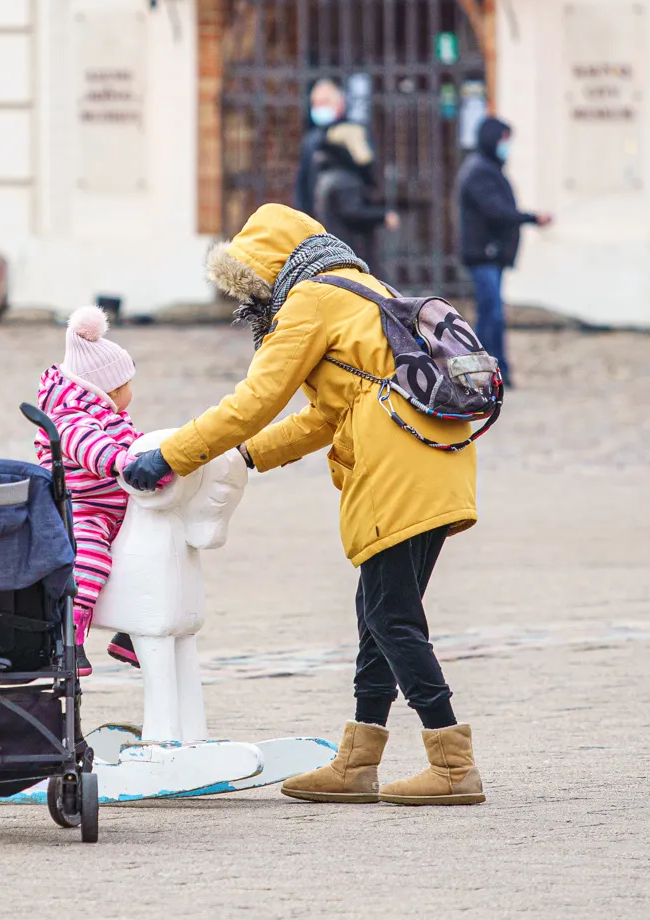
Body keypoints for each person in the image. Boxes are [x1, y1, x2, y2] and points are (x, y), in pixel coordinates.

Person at [119, 203, 485, 807]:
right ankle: (357, 762)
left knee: (391, 617)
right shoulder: (364, 289)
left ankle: (452, 763)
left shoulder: (310, 300)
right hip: (438, 456)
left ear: (264, 270)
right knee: (378, 612)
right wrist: (248, 457)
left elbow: (257, 398)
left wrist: (173, 455)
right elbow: (326, 414)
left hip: (396, 464)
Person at [35, 305, 146, 677]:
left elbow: (135, 443)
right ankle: (69, 635)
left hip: (120, 509)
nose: (131, 392)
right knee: (90, 562)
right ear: (108, 387)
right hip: (81, 509)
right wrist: (121, 462)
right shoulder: (68, 416)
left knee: (148, 553)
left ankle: (133, 632)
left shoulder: (112, 416)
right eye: (128, 384)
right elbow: (90, 446)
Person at [456, 117, 551, 384]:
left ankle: (492, 370)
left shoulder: (488, 168)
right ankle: (483, 370)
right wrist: (532, 217)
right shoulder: (479, 171)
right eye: (504, 140)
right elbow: (497, 211)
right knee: (491, 315)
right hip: (483, 254)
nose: (506, 146)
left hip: (492, 254)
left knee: (492, 314)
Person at [293, 79, 388, 265]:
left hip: (351, 223)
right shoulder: (311, 140)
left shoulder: (354, 132)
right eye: (316, 103)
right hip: (320, 218)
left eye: (325, 102)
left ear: (340, 103)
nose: (319, 107)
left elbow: (368, 171)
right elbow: (303, 182)